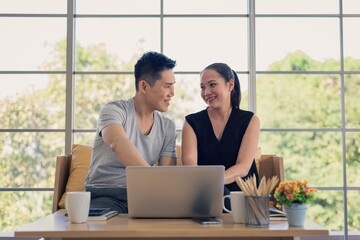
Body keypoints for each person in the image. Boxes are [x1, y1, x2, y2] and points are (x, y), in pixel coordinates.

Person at [85, 51, 177, 213]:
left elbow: (167, 175)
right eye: (167, 86)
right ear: (143, 86)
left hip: (145, 197)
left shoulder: (167, 126)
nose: (172, 93)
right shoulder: (113, 110)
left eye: (173, 86)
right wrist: (153, 179)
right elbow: (117, 142)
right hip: (107, 195)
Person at [181, 63, 260, 199]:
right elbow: (191, 168)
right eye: (202, 87)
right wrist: (211, 187)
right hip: (205, 196)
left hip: (243, 197)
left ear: (230, 85)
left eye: (212, 85)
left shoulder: (250, 120)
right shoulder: (191, 122)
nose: (206, 92)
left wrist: (213, 183)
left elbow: (243, 168)